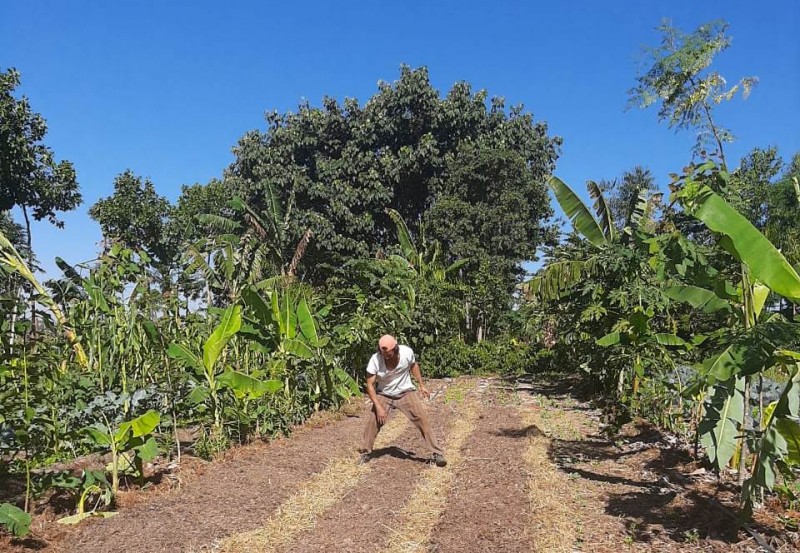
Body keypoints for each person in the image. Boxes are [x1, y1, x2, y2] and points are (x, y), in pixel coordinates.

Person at [358, 334, 447, 467]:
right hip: (385, 393)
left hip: (406, 392)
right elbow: (370, 385)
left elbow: (414, 366)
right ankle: (366, 453)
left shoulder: (406, 352)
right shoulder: (375, 360)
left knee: (422, 419)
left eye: (388, 353)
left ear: (395, 349)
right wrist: (378, 406)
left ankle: (437, 453)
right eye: (383, 353)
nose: (386, 356)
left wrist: (421, 385)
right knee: (373, 421)